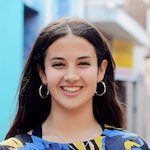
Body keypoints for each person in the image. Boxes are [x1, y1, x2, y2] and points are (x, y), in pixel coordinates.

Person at [0, 17, 149, 150]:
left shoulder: (131, 146)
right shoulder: (13, 148)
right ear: (42, 73)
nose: (71, 76)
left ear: (101, 70)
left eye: (83, 63)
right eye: (58, 64)